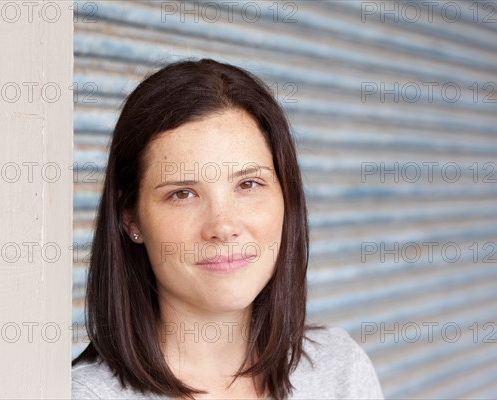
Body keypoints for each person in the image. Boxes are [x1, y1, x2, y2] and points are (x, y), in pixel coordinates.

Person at [71, 58, 383, 399]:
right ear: (130, 217)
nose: (223, 226)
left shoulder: (339, 368)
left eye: (248, 184)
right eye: (183, 193)